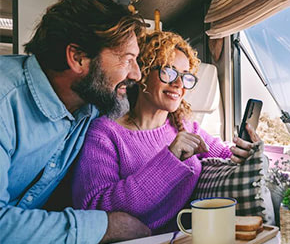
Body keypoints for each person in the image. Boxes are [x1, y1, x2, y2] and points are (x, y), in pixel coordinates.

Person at [0, 0, 152, 244]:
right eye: (127, 59)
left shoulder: (89, 106)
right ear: (78, 58)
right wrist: (106, 226)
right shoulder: (4, 102)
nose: (137, 74)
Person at [72, 31, 261, 233]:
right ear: (143, 72)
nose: (178, 84)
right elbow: (94, 206)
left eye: (186, 77)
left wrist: (245, 150)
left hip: (182, 243)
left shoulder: (184, 125)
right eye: (168, 72)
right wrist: (169, 158)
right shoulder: (105, 133)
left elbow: (227, 155)